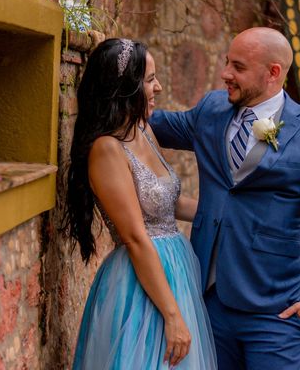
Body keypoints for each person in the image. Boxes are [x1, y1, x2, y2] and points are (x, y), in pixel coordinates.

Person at [149, 27, 300, 369]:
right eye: (226, 63)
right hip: (210, 303)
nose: (226, 74)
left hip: (277, 315)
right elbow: (157, 126)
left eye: (238, 67)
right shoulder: (211, 110)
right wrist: (119, 96)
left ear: (273, 73)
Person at [63, 38, 218, 369]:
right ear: (124, 87)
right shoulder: (106, 149)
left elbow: (166, 202)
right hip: (141, 281)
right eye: (149, 80)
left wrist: (225, 214)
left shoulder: (144, 130)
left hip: (177, 270)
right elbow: (134, 237)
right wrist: (172, 315)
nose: (158, 87)